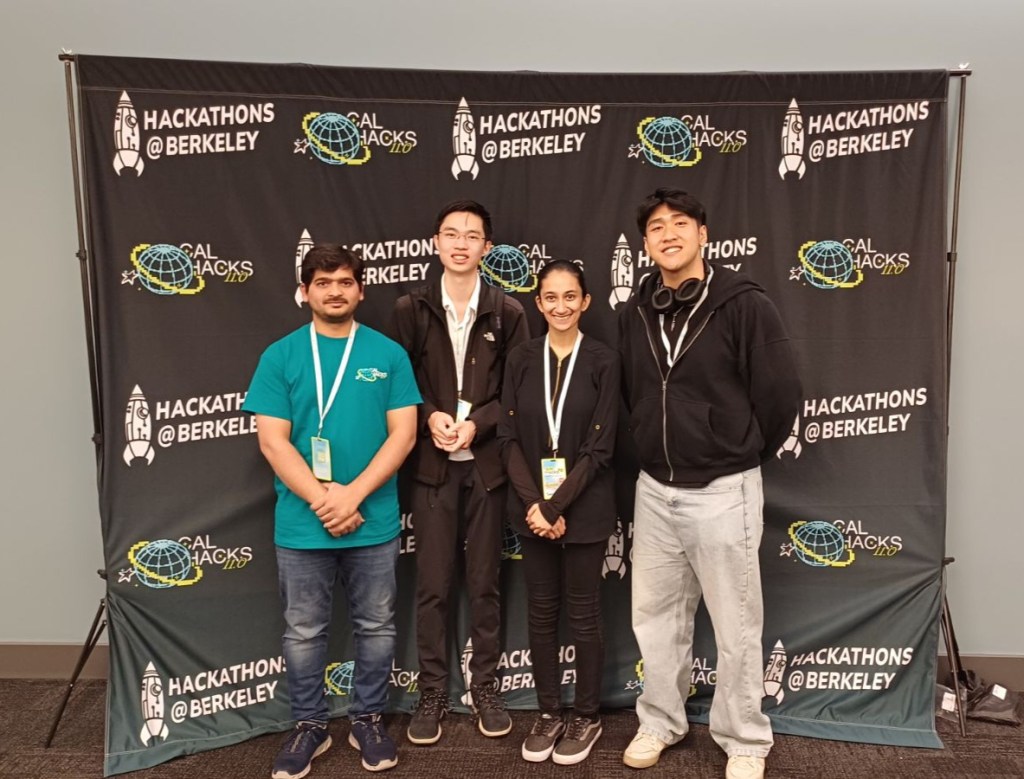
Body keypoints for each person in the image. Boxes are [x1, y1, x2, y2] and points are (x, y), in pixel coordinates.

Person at [618, 189, 801, 779]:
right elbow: (629, 396)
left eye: (679, 223)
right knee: (655, 618)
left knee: (737, 622)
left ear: (702, 233)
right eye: (655, 227)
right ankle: (661, 721)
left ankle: (744, 737)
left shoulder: (745, 305)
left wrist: (738, 451)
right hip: (654, 489)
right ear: (645, 244)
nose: (667, 233)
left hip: (724, 490)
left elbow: (779, 396)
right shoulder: (635, 310)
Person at [243, 244, 421, 777]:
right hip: (304, 525)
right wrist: (328, 500)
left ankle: (367, 718)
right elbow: (273, 442)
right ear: (305, 291)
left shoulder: (388, 354)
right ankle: (309, 726)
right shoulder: (280, 356)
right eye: (323, 282)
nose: (335, 291)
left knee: (376, 626)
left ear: (360, 290)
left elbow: (404, 434)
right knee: (303, 632)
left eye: (345, 281)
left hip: (373, 521)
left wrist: (353, 495)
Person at [390, 199, 529, 745]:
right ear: (435, 242)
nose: (461, 243)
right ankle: (432, 693)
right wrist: (430, 417)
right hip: (431, 469)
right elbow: (399, 384)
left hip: (488, 469)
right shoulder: (410, 308)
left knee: (485, 583)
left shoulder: (509, 311)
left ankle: (486, 688)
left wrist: (480, 426)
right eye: (451, 233)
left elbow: (517, 394)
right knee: (432, 586)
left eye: (473, 236)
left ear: (486, 248)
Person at [497, 260, 620, 765]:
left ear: (586, 301)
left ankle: (587, 716)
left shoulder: (603, 361)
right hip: (532, 512)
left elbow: (601, 447)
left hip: (583, 509)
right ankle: (549, 712)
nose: (561, 306)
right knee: (542, 616)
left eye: (571, 296)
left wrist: (554, 505)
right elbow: (506, 439)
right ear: (538, 302)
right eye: (551, 297)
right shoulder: (521, 358)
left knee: (584, 616)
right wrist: (535, 506)